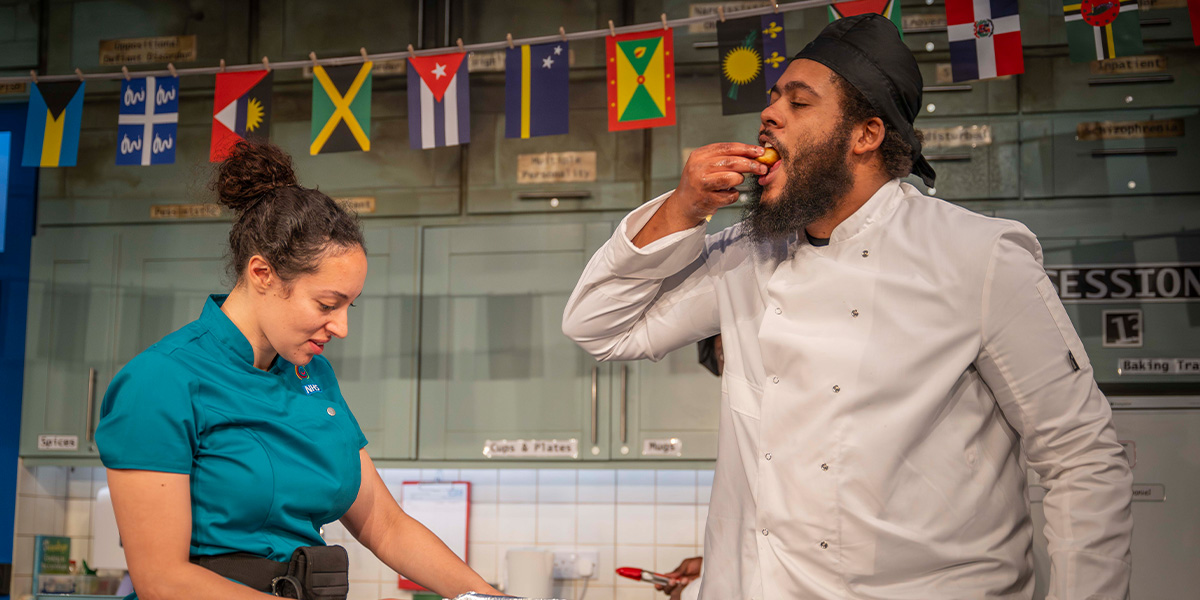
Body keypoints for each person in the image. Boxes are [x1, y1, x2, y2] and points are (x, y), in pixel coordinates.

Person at [563, 14, 1132, 600]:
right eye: (773, 98)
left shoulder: (977, 256)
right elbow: (600, 326)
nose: (769, 113)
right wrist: (682, 210)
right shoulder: (746, 254)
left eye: (798, 101)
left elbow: (1080, 458)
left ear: (866, 135)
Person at [96, 141, 503, 600]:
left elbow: (386, 526)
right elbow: (162, 580)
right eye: (328, 304)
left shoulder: (313, 376)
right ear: (262, 274)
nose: (342, 327)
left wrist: (486, 596)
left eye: (350, 305)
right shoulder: (160, 382)